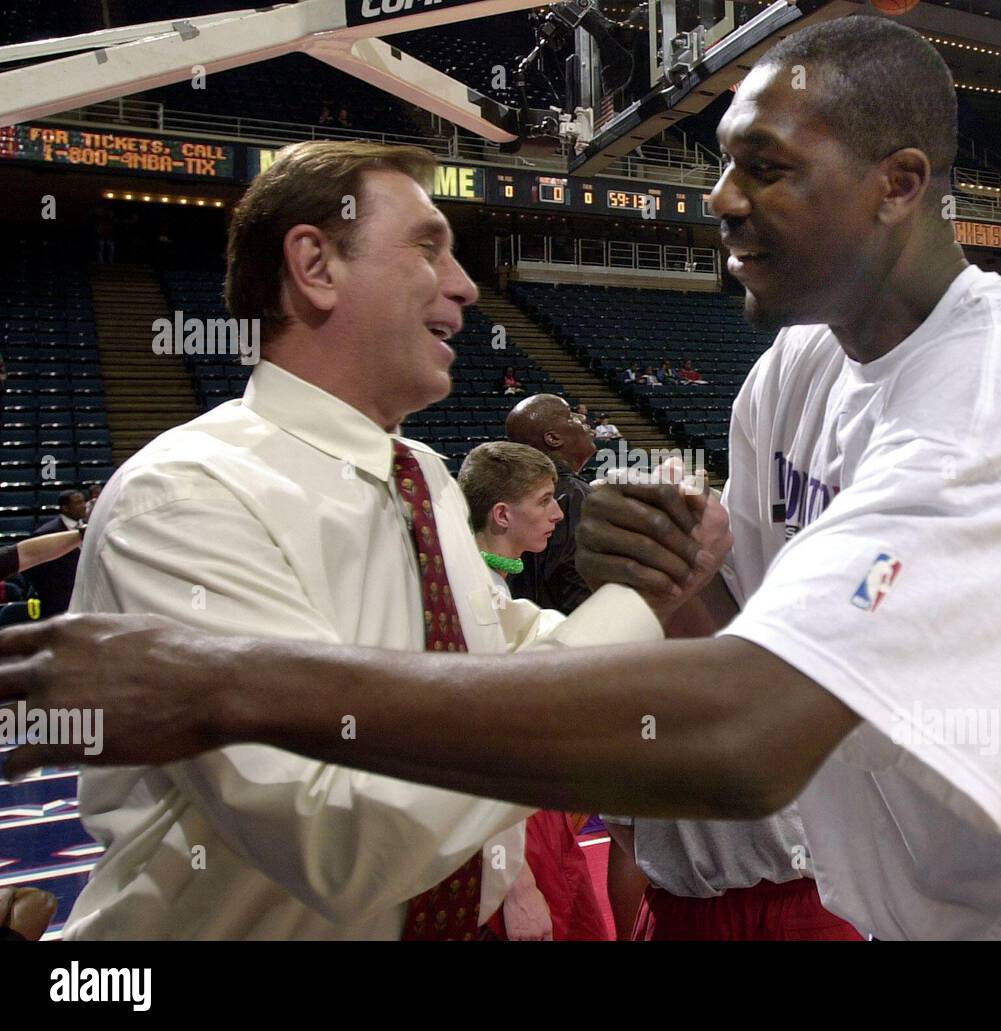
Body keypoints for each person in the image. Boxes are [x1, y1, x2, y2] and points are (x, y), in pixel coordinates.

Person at [4, 17, 1001, 941]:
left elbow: (753, 730)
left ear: (899, 184)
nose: (717, 198)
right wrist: (667, 579)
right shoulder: (788, 379)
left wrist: (222, 684)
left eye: (764, 165)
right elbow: (751, 642)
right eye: (721, 160)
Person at [39, 140, 667, 941]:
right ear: (316, 264)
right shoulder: (183, 498)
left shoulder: (426, 477)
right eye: (427, 246)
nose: (466, 284)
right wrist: (639, 605)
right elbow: (343, 827)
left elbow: (496, 652)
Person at [457, 441, 610, 941]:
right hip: (513, 826)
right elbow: (476, 759)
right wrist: (517, 885)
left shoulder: (492, 586)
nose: (559, 511)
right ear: (502, 514)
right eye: (545, 500)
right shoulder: (469, 596)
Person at [504, 394, 598, 614]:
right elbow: (577, 586)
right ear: (553, 438)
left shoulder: (515, 494)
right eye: (570, 416)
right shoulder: (575, 495)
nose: (582, 418)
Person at [24, 490, 86, 617]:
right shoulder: (46, 533)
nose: (84, 505)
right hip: (57, 603)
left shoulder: (88, 528)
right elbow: (32, 570)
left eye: (84, 501)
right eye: (78, 502)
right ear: (65, 508)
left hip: (84, 596)